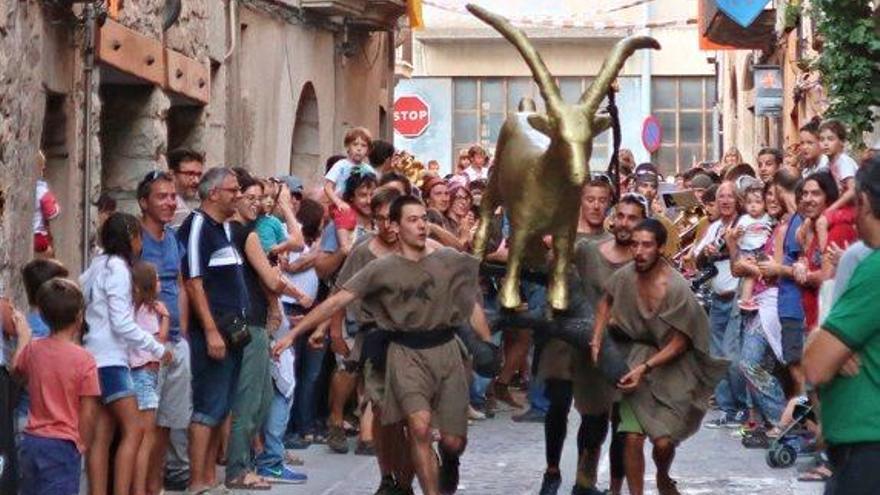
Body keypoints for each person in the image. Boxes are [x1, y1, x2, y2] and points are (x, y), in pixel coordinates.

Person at [273, 196, 491, 495]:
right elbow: (338, 299)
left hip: (445, 351)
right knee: (419, 428)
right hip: (404, 352)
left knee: (453, 441)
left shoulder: (445, 257)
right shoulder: (381, 267)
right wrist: (293, 333)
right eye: (412, 220)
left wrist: (486, 341)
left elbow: (469, 300)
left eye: (424, 218)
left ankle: (450, 460)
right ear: (396, 226)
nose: (421, 225)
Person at [591, 219, 727, 495]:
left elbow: (680, 342)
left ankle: (663, 475)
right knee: (631, 435)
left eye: (647, 245)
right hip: (636, 357)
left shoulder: (676, 288)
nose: (639, 251)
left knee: (663, 443)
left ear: (661, 248)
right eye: (635, 244)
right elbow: (606, 299)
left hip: (674, 366)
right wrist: (597, 337)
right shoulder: (625, 276)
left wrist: (646, 367)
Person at [226, 171, 310, 487]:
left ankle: (246, 464)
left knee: (257, 397)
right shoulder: (246, 234)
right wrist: (293, 295)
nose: (258, 204)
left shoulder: (236, 231)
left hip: (250, 319)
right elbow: (271, 279)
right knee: (252, 400)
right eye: (250, 198)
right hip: (252, 321)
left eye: (261, 198)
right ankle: (239, 468)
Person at [803, 157, 880, 495]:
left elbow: (817, 364)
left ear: (862, 202)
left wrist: (827, 339)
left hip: (868, 445)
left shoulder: (874, 268)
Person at [80, 212, 171, 495]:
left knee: (103, 433)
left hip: (92, 354)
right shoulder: (119, 268)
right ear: (131, 238)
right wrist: (156, 347)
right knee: (134, 430)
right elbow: (121, 322)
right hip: (111, 359)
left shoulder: (97, 265)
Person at [176, 167, 250, 493]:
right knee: (207, 406)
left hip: (232, 332)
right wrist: (209, 330)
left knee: (220, 406)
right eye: (232, 190)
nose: (238, 195)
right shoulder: (197, 227)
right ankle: (197, 482)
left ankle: (209, 478)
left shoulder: (225, 231)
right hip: (211, 333)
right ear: (213, 194)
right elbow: (193, 282)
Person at [12, 279, 100, 495]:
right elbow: (89, 410)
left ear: (42, 314)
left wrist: (24, 338)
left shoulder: (33, 350)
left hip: (32, 440)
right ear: (79, 317)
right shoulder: (85, 360)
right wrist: (83, 443)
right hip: (63, 443)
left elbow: (17, 370)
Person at [135, 170, 192, 493]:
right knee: (146, 423)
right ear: (144, 202)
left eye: (172, 196)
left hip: (173, 341)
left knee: (169, 422)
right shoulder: (136, 240)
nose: (170, 202)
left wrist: (181, 331)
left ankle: (155, 485)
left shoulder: (172, 238)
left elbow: (181, 285)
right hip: (146, 345)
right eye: (162, 196)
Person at [693, 181, 748, 427]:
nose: (725, 201)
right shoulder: (714, 227)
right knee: (716, 356)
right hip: (718, 298)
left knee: (731, 354)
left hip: (736, 297)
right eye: (721, 197)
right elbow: (696, 258)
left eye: (729, 196)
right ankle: (727, 408)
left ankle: (741, 407)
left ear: (738, 200)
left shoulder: (744, 225)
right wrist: (707, 254)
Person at [128, 261, 169, 495]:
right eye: (157, 278)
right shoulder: (148, 311)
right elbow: (158, 344)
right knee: (145, 440)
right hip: (144, 374)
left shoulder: (132, 310)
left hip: (139, 374)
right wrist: (166, 319)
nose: (160, 282)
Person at [735, 184, 774, 312]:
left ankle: (754, 298)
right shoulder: (744, 219)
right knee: (750, 276)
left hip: (762, 249)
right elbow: (736, 234)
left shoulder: (768, 218)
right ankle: (746, 300)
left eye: (758, 202)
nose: (753, 205)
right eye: (749, 202)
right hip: (747, 250)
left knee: (763, 275)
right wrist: (737, 233)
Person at [324, 127, 373, 215]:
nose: (359, 149)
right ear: (348, 146)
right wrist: (338, 202)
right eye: (355, 144)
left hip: (361, 207)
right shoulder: (340, 165)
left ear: (368, 150)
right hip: (341, 206)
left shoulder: (368, 170)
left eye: (363, 145)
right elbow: (328, 187)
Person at [167, 148, 205, 229]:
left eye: (199, 175)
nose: (196, 181)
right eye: (190, 174)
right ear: (172, 174)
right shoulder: (175, 207)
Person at [33, 150, 60, 258]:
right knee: (51, 257)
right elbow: (51, 213)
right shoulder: (42, 190)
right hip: (38, 235)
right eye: (43, 167)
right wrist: (57, 207)